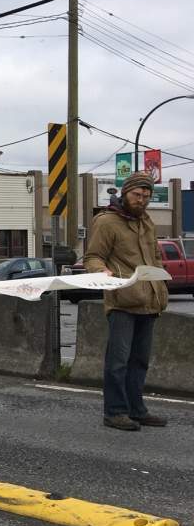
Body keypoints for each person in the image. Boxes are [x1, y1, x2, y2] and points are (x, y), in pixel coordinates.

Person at [82, 171, 168, 431]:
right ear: (125, 193)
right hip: (122, 301)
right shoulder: (106, 221)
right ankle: (115, 412)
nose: (141, 200)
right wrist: (101, 271)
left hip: (149, 300)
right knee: (118, 362)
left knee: (139, 361)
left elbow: (155, 259)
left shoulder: (146, 222)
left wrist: (161, 287)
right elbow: (93, 257)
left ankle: (136, 410)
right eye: (136, 194)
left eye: (146, 196)